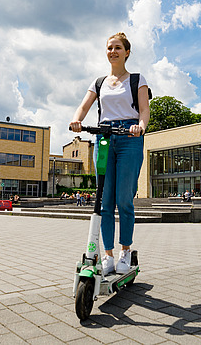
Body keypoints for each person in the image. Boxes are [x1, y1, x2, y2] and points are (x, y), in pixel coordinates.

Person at [70, 32, 150, 276]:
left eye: (117, 47)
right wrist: (76, 120)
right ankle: (107, 254)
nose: (112, 51)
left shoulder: (137, 79)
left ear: (127, 52)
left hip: (129, 138)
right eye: (109, 48)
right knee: (104, 201)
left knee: (123, 199)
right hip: (104, 138)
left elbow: (144, 110)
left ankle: (125, 250)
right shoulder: (99, 82)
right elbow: (84, 106)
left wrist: (141, 127)